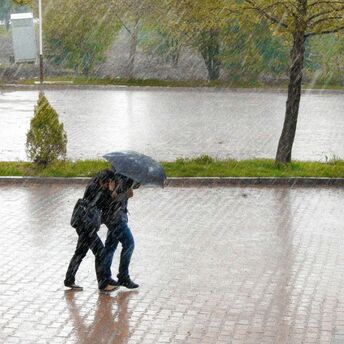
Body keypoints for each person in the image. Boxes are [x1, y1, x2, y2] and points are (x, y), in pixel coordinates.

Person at [64, 169, 118, 292]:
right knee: (100, 252)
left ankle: (69, 279)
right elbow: (105, 204)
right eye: (110, 181)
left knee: (80, 252)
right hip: (87, 226)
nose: (111, 183)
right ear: (106, 181)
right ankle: (103, 284)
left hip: (82, 224)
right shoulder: (99, 190)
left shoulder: (93, 185)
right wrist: (110, 191)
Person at [101, 174, 140, 289]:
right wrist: (125, 194)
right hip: (116, 218)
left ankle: (105, 277)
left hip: (113, 217)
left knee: (110, 247)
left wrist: (130, 190)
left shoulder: (124, 175)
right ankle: (123, 276)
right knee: (129, 244)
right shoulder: (118, 177)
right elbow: (112, 198)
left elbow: (133, 187)